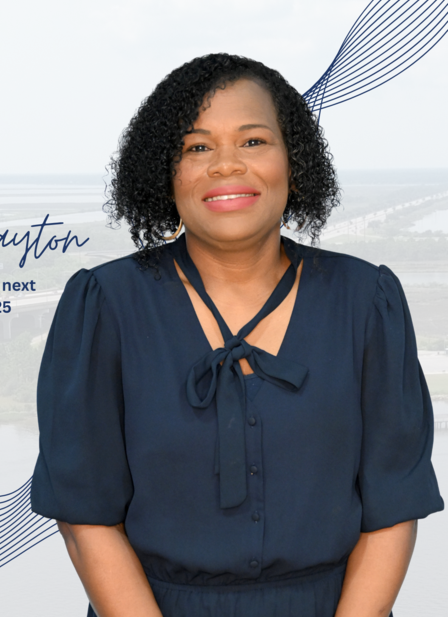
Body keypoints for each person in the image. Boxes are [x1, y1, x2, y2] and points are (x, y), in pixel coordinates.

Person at [30, 53, 444, 617]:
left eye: (253, 142)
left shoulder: (367, 300)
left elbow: (394, 507)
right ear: (163, 170)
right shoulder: (103, 305)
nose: (226, 165)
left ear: (293, 161)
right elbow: (84, 517)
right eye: (197, 147)